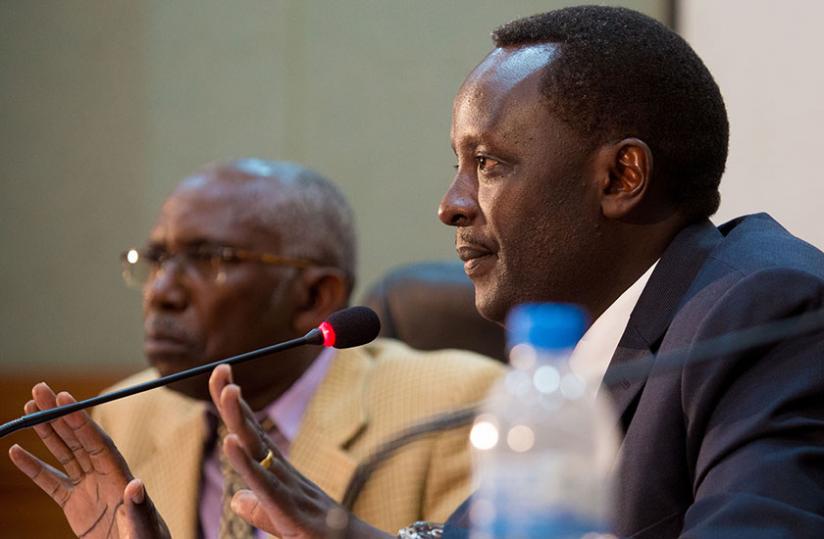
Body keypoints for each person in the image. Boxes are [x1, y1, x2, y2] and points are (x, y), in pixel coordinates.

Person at [174, 7, 824, 538]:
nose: (450, 204)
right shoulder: (570, 355)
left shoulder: (765, 309)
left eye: (487, 163)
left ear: (621, 177)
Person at [8, 158, 504, 538]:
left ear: (315, 296)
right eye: (158, 259)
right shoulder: (123, 417)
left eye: (209, 259)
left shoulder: (459, 409)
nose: (161, 290)